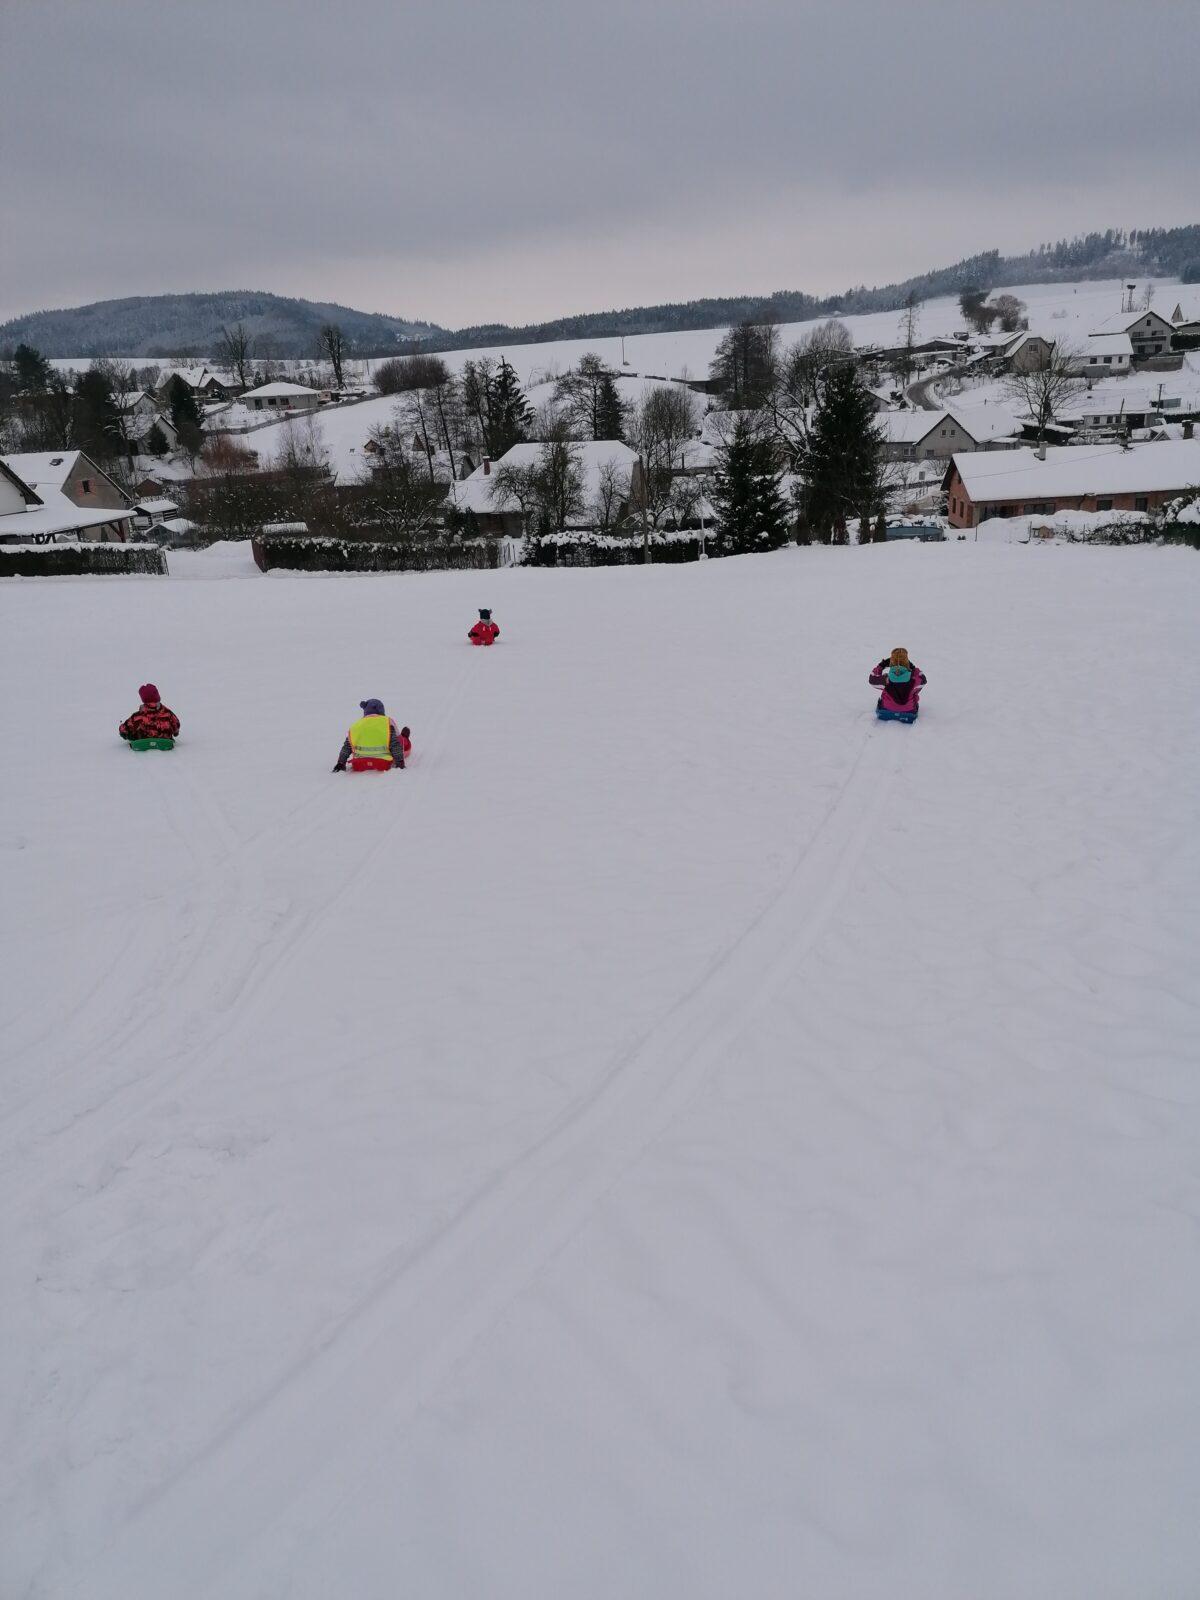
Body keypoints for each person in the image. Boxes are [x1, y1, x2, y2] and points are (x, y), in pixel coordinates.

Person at [333, 699, 409, 772]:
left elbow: (347, 746)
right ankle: (405, 738)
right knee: (399, 741)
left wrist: (341, 763)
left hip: (359, 764)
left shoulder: (355, 726)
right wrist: (400, 762)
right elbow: (395, 745)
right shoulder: (386, 722)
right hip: (383, 763)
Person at [869, 647, 927, 722]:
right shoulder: (914, 679)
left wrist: (881, 665)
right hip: (909, 712)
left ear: (891, 662)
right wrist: (913, 667)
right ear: (907, 662)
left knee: (882, 700)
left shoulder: (886, 679)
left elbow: (872, 679)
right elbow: (923, 679)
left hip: (886, 710)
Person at [119, 683, 180, 749]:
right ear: (157, 696)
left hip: (142, 742)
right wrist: (175, 732)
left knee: (133, 728)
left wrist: (125, 733)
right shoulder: (168, 713)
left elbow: (124, 729)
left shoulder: (138, 716)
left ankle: (140, 739)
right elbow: (176, 724)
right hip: (165, 742)